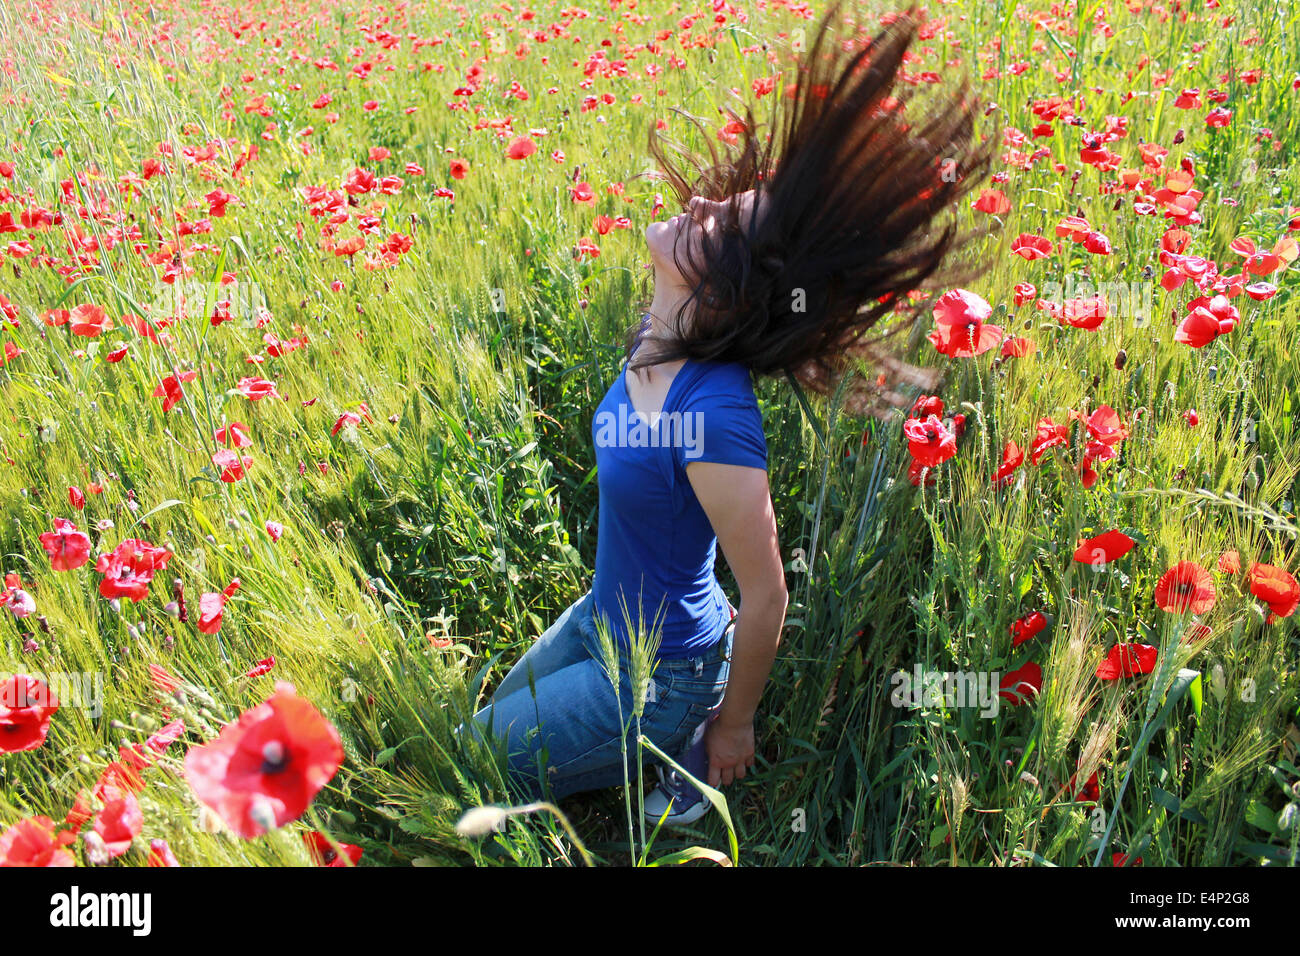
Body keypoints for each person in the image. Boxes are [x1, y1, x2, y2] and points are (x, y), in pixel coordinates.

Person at [460, 0, 997, 825]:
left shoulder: (713, 413)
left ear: (725, 295)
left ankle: (680, 742)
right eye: (726, 207)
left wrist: (734, 725)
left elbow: (768, 592)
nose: (707, 207)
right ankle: (647, 749)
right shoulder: (659, 337)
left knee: (474, 758)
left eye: (725, 228)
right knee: (479, 726)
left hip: (661, 670)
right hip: (604, 617)